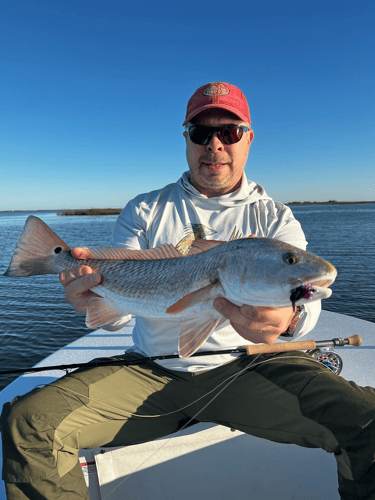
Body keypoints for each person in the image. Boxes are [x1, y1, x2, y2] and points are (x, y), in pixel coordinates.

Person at [1, 82, 374, 500]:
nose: (214, 144)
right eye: (201, 132)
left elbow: (305, 301)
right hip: (151, 369)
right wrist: (88, 295)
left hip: (252, 367)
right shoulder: (145, 209)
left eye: (229, 132)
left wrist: (287, 320)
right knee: (28, 422)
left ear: (248, 139)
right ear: (187, 140)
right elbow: (118, 315)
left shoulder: (275, 218)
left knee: (368, 422)